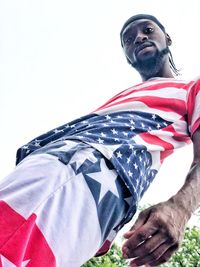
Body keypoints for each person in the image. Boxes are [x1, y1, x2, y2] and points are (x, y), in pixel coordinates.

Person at [0, 13, 200, 267]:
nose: (139, 38)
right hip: (62, 166)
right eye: (128, 39)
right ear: (128, 57)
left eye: (148, 30)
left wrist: (181, 208)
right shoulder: (128, 97)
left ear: (167, 38)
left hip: (90, 169)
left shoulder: (190, 88)